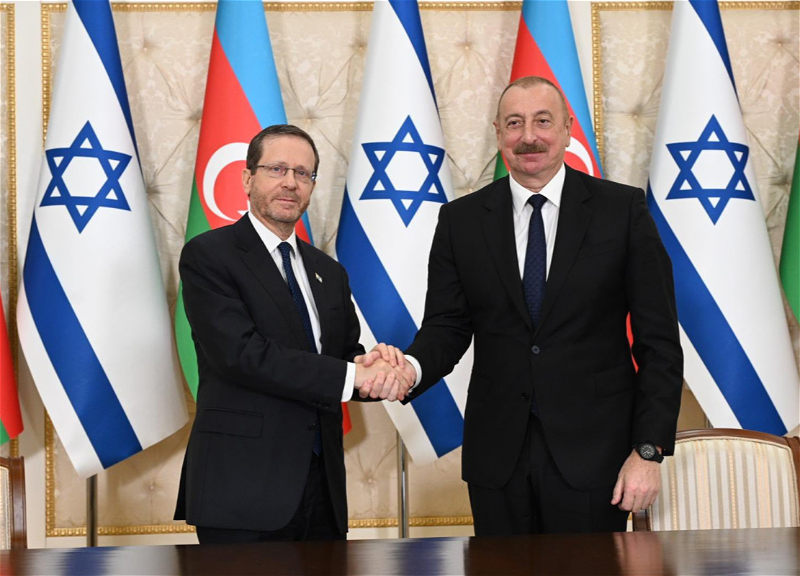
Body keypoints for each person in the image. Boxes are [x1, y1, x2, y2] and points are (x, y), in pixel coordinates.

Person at [365, 76, 683, 535]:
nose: (528, 136)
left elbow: (659, 344)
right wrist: (408, 369)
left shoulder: (622, 211)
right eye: (514, 123)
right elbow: (447, 328)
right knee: (499, 569)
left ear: (568, 129)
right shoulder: (461, 220)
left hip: (596, 455)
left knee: (589, 570)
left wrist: (648, 451)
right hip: (498, 457)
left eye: (542, 121)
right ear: (498, 133)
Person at [174, 124, 410, 544]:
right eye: (277, 169)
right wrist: (351, 374)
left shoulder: (329, 272)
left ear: (312, 186)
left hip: (322, 488)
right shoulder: (209, 255)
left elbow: (340, 360)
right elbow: (241, 355)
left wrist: (371, 368)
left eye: (303, 173)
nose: (290, 182)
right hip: (241, 488)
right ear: (247, 179)